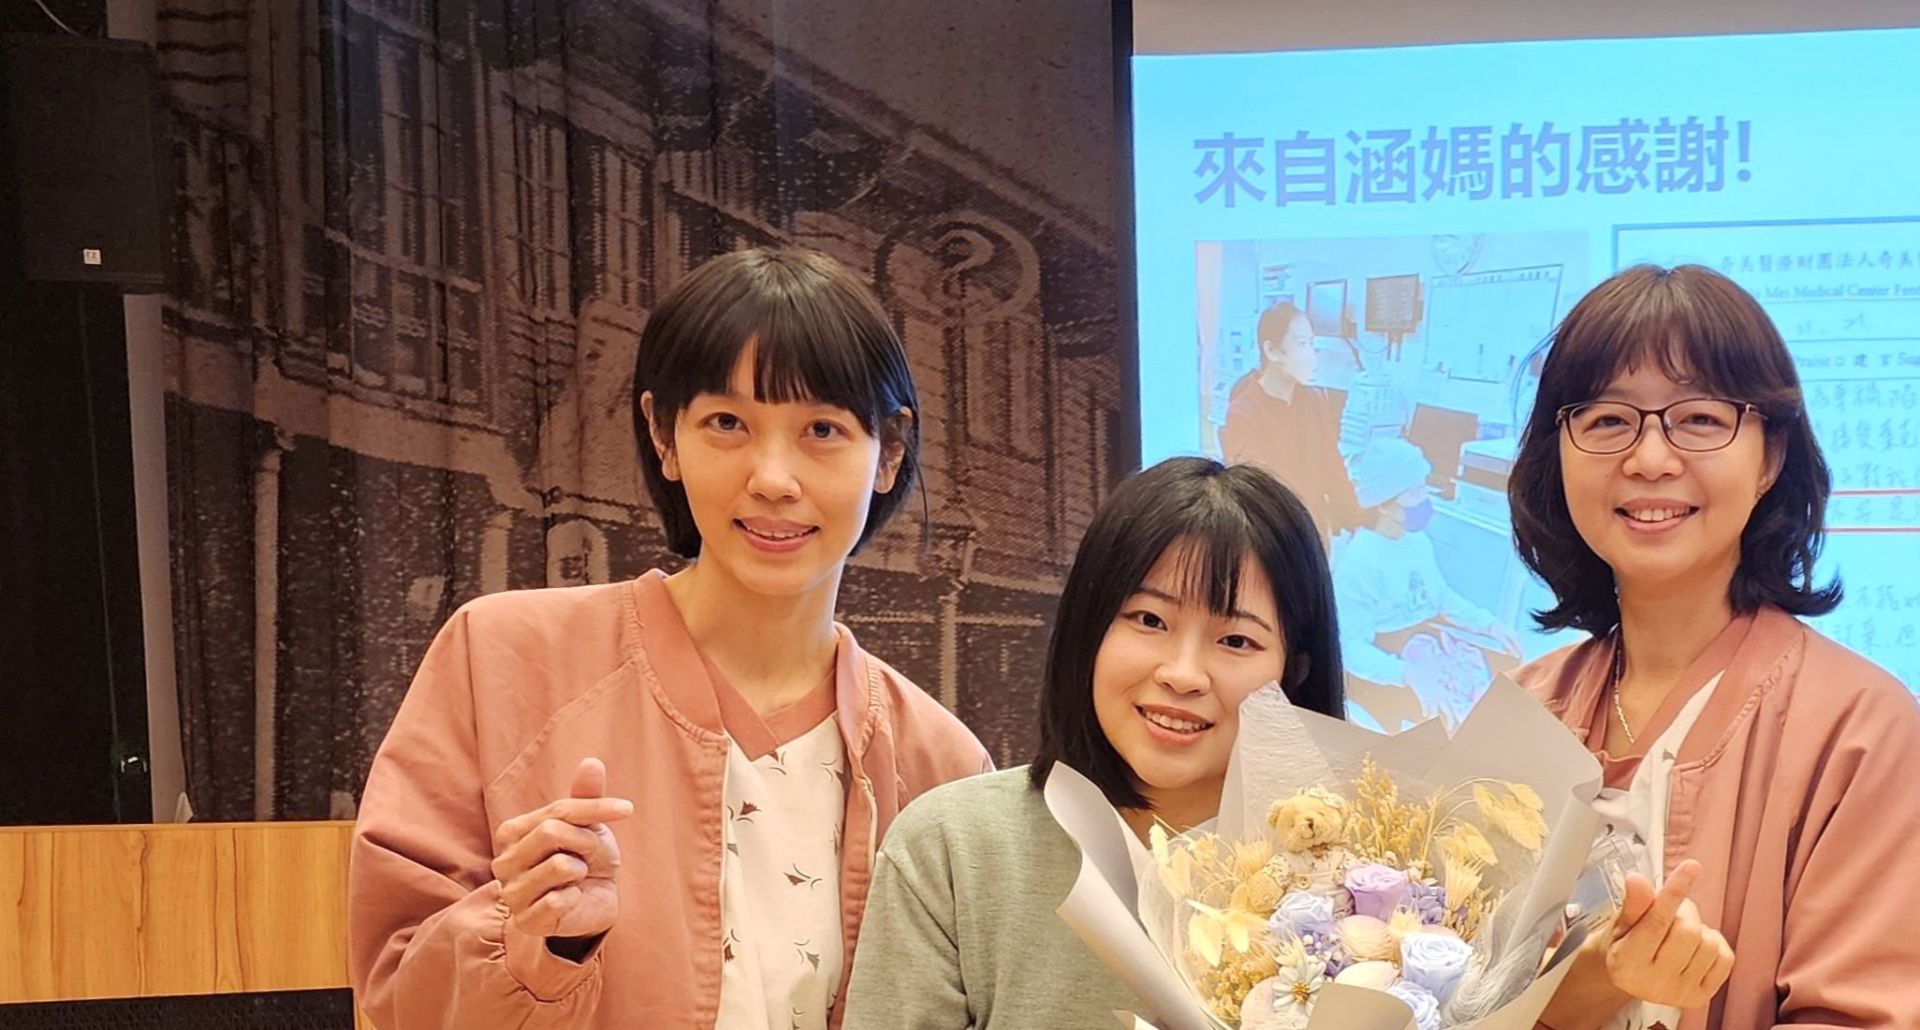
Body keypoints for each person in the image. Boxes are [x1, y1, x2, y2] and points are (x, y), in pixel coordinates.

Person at [348, 248, 991, 1030]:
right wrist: (540, 944)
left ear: (889, 451)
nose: (773, 478)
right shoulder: (500, 659)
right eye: (727, 424)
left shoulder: (943, 766)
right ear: (664, 435)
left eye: (822, 429)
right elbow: (396, 993)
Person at [1512, 264, 1920, 1029]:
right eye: (1607, 420)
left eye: (1699, 419)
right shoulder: (1522, 709)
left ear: (1771, 457)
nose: (1650, 459)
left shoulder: (1862, 729)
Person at [841, 457, 1345, 1028]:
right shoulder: (954, 847)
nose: (1183, 675)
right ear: (1090, 628)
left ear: (1293, 671)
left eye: (1236, 640)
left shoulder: (1364, 874)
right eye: (1149, 620)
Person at [1333, 436, 1522, 731]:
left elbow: (1441, 597)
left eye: (1424, 487)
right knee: (1452, 717)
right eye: (1414, 491)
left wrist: (1489, 625)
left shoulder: (1416, 542)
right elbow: (1350, 648)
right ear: (1384, 504)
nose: (1424, 499)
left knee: (1501, 693)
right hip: (1392, 660)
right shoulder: (1360, 562)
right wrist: (1407, 674)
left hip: (1431, 640)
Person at [1220, 301, 1363, 543]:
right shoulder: (1244, 414)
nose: (1311, 356)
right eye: (1301, 344)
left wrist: (1357, 523)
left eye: (1312, 344)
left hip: (1315, 533)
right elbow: (1258, 496)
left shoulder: (1314, 401)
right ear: (1272, 351)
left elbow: (1333, 468)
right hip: (1275, 540)